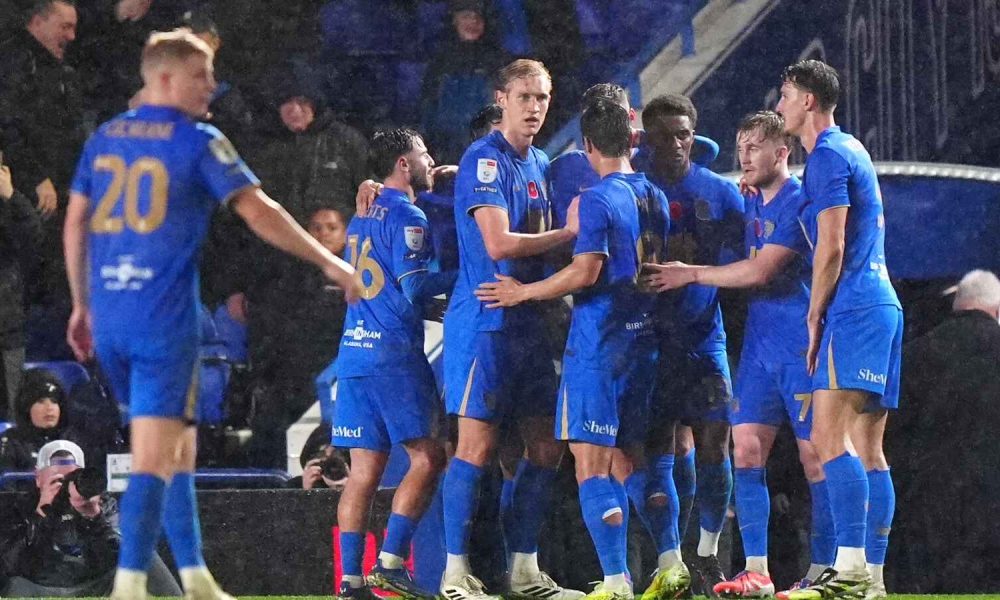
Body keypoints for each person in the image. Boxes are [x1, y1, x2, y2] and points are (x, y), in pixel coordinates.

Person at [62, 29, 359, 600]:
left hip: (111, 319)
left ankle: (196, 575)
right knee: (155, 453)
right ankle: (129, 585)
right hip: (162, 320)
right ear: (167, 78)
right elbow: (261, 210)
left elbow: (75, 222)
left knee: (179, 447)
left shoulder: (104, 137)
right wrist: (331, 264)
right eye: (202, 74)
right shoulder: (199, 139)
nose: (213, 86)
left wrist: (80, 303)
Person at [475, 99, 679, 600]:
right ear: (632, 141)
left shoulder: (595, 199)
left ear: (588, 145)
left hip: (599, 344)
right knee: (632, 460)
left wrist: (521, 292)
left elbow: (586, 270)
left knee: (591, 464)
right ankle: (672, 560)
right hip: (644, 341)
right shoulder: (654, 194)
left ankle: (614, 582)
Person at [644, 111, 834, 596]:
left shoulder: (798, 203)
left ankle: (827, 570)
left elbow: (758, 273)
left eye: (754, 148)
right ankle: (757, 571)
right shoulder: (747, 202)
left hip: (800, 347)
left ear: (781, 153)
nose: (743, 157)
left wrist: (690, 273)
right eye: (740, 146)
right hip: (758, 351)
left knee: (817, 461)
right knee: (746, 452)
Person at [440, 58, 580, 600]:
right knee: (474, 448)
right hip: (486, 322)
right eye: (525, 97)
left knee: (546, 447)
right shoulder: (485, 159)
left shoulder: (540, 161)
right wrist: (567, 234)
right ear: (501, 99)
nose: (535, 108)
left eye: (543, 98)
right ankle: (455, 573)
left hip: (527, 322)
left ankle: (522, 570)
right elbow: (498, 243)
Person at [774, 59, 902, 600]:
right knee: (868, 449)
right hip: (884, 304)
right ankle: (870, 576)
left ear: (807, 100)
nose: (778, 104)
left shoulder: (825, 154)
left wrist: (813, 313)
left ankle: (847, 571)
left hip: (852, 308)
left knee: (829, 438)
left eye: (784, 95)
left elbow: (833, 244)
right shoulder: (853, 148)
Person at [333, 128, 454, 600]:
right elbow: (415, 286)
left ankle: (350, 581)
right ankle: (389, 561)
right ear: (404, 163)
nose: (430, 160)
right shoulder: (407, 213)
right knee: (429, 456)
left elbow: (379, 283)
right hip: (393, 356)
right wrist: (469, 276)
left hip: (354, 351)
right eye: (424, 153)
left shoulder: (360, 215)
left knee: (364, 471)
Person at [632, 93, 744, 596]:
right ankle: (669, 558)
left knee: (716, 441)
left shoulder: (720, 193)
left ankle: (707, 554)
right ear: (646, 139)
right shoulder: (631, 190)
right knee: (662, 448)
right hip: (650, 342)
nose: (675, 144)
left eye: (683, 134)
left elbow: (749, 261)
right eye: (665, 135)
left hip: (705, 338)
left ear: (693, 136)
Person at [889, 270, 1000, 591]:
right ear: (995, 311)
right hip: (991, 513)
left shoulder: (914, 354)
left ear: (957, 306)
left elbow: (891, 434)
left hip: (927, 511)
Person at [0, 440, 181, 597]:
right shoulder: (22, 507)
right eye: (58, 479)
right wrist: (42, 515)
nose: (66, 486)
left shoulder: (101, 503)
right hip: (39, 587)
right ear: (38, 478)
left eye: (72, 478)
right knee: (15, 584)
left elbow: (123, 554)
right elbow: (11, 564)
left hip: (92, 584)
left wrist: (95, 518)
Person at [421, 0, 510, 164]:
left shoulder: (497, 61)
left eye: (478, 17)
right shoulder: (439, 63)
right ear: (454, 20)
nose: (473, 22)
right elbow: (429, 112)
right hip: (448, 149)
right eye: (466, 16)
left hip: (489, 149)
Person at [1, 159, 42, 418]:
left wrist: (11, 196)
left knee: (14, 414)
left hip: (8, 331)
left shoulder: (9, 205)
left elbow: (32, 236)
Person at [0, 369, 81, 472]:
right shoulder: (10, 443)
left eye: (54, 401)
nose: (49, 408)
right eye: (41, 401)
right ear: (27, 407)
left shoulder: (72, 441)